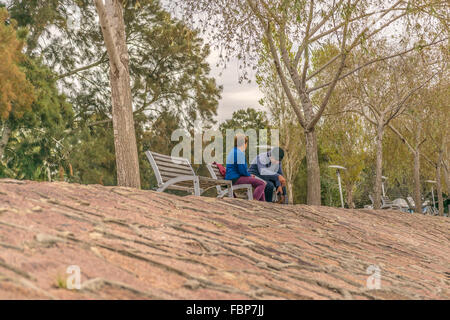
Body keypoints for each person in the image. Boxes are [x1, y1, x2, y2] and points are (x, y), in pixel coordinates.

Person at [225, 134, 266, 201]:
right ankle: (254, 202)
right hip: (235, 179)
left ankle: (262, 204)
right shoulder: (239, 153)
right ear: (244, 144)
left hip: (232, 178)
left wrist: (249, 175)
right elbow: (242, 171)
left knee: (259, 185)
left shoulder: (233, 151)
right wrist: (249, 175)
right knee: (261, 184)